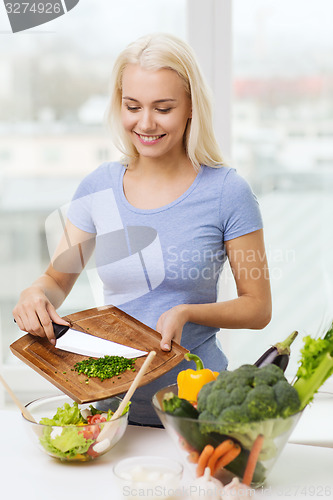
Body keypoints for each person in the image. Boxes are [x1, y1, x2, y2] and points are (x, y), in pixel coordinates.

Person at [13, 33, 272, 426]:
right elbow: (56, 278)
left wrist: (187, 311)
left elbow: (258, 306)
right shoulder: (98, 186)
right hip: (110, 409)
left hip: (197, 409)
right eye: (132, 106)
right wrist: (35, 295)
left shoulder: (228, 192)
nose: (145, 123)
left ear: (190, 108)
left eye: (163, 108)